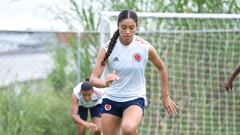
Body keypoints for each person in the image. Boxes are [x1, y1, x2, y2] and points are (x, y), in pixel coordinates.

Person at [90, 10, 178, 135]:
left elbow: (162, 68)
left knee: (128, 129)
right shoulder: (106, 49)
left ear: (136, 27)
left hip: (134, 98)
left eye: (131, 28)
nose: (127, 32)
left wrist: (165, 96)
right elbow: (93, 79)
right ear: (117, 26)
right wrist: (105, 83)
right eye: (123, 27)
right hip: (111, 99)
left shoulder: (144, 47)